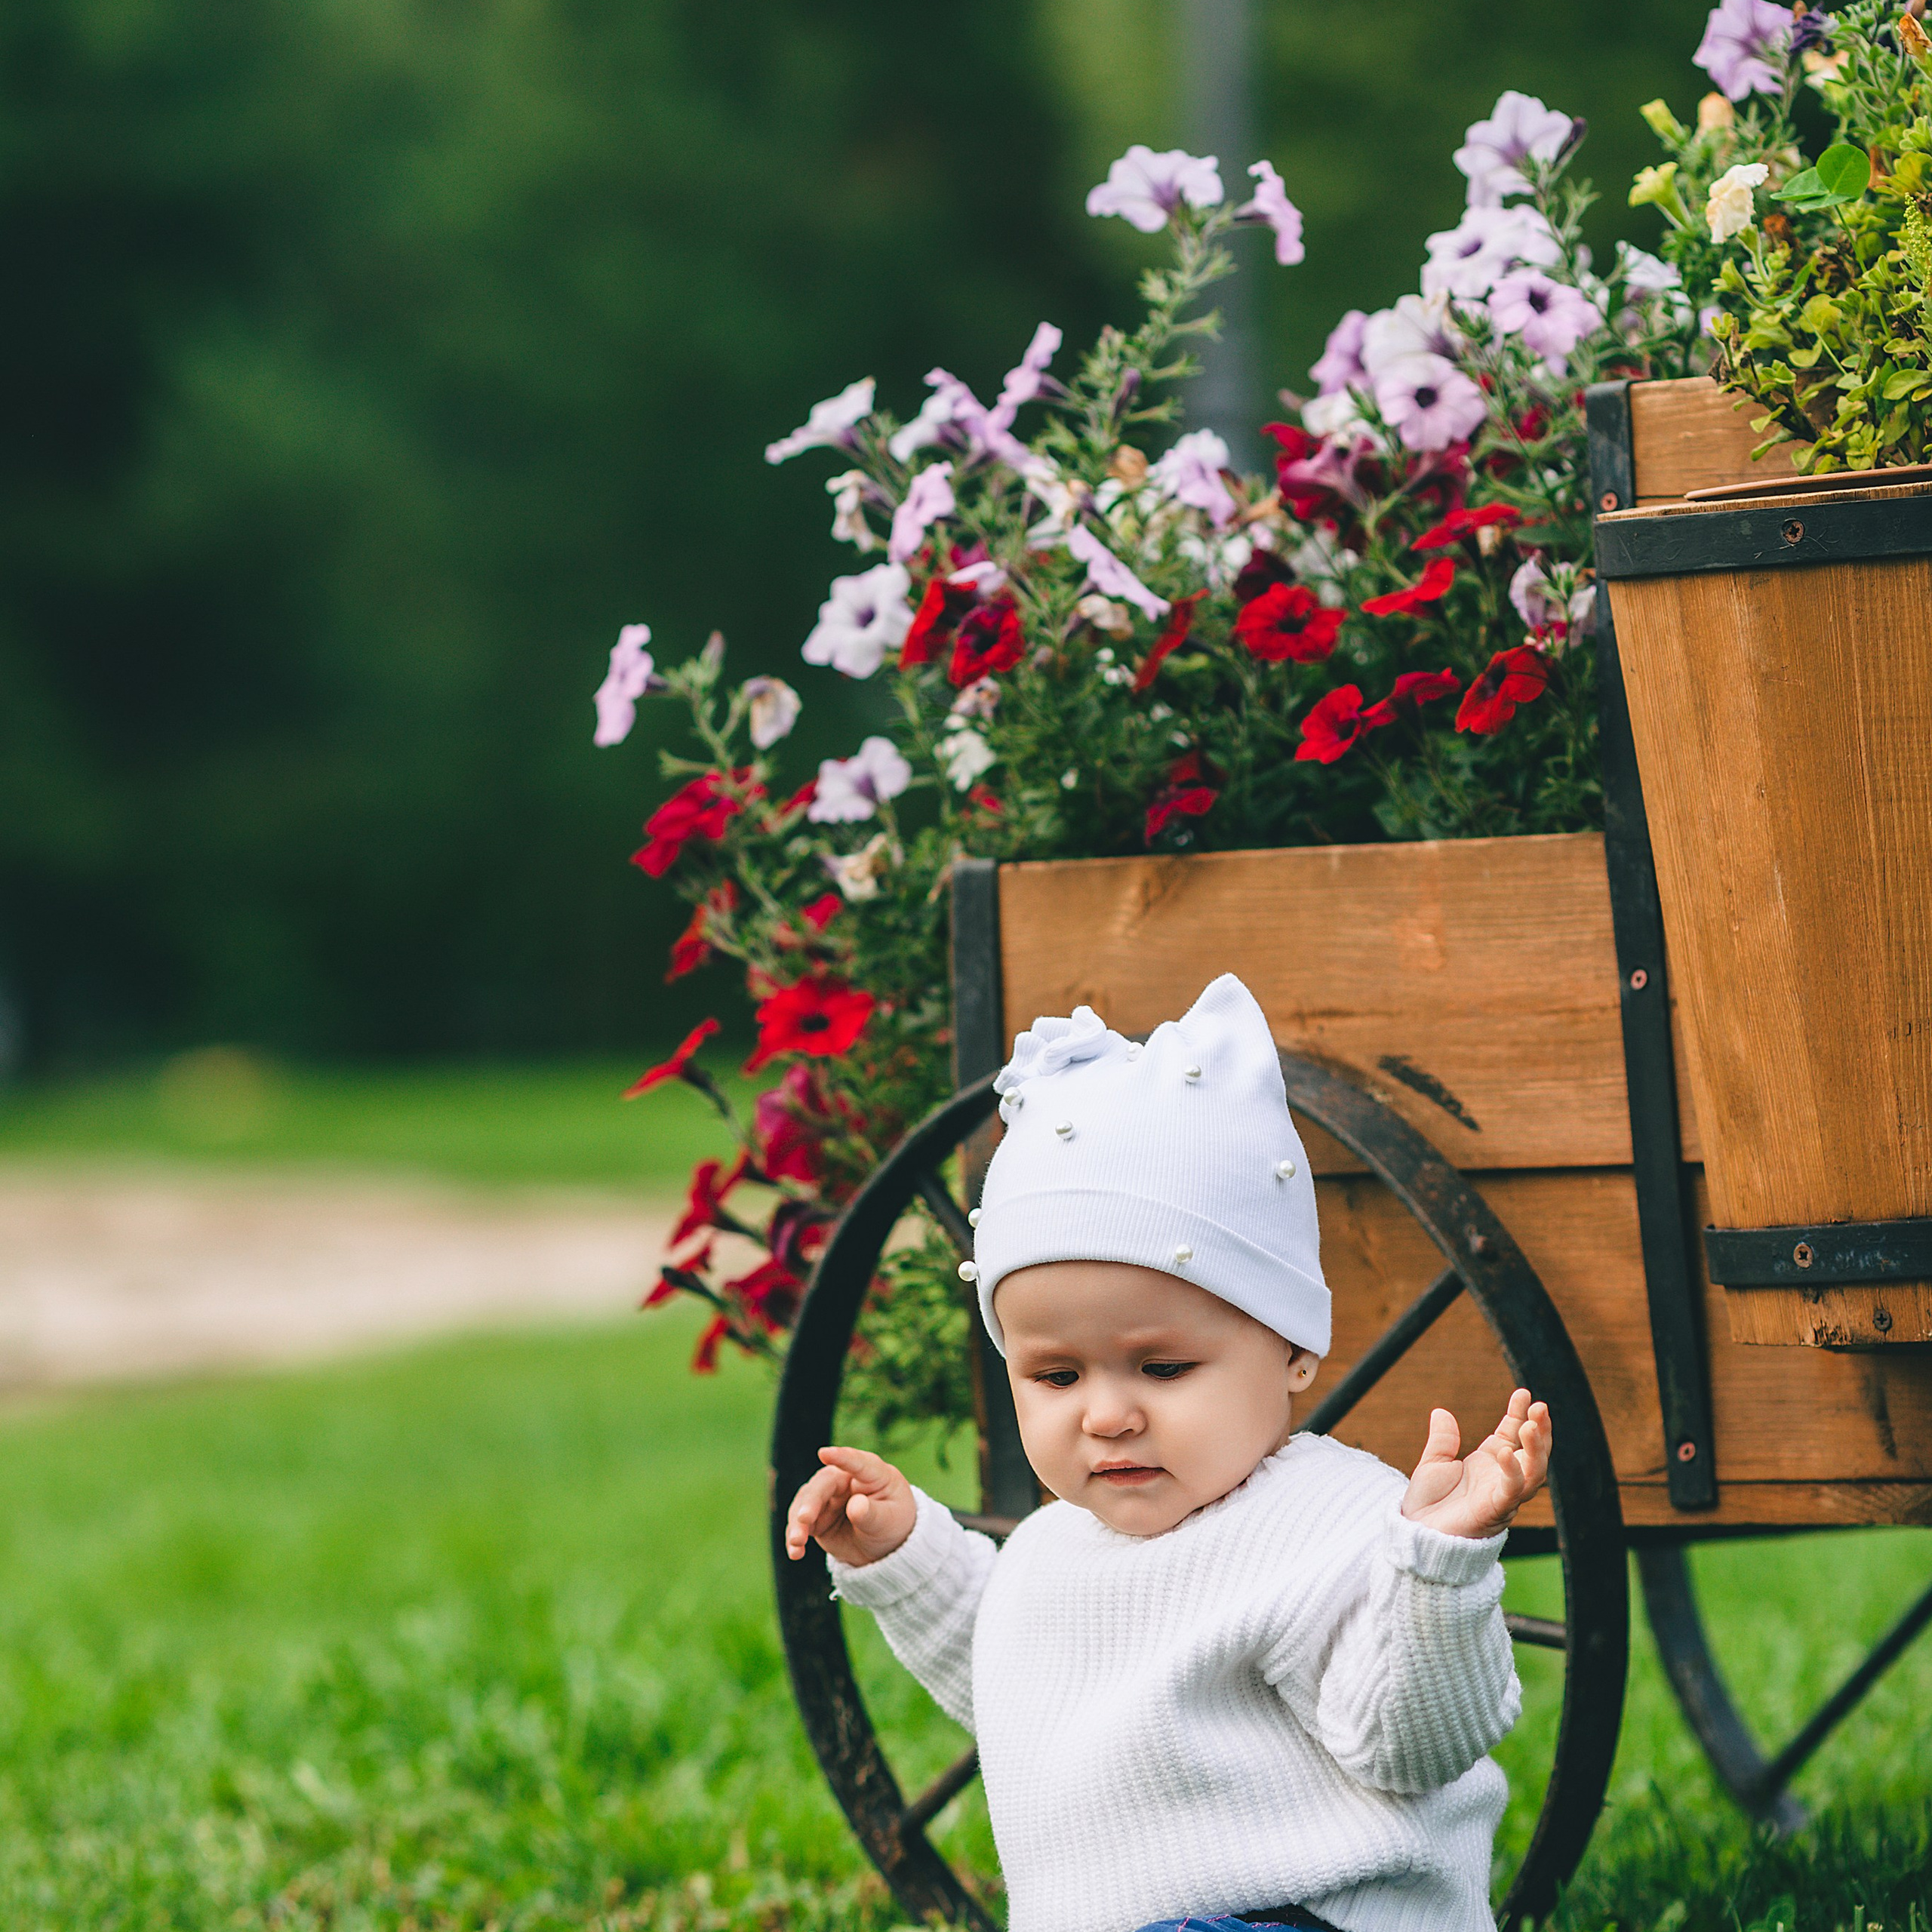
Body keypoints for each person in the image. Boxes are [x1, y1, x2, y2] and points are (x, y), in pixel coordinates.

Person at [784, 974, 1550, 1932]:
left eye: (1162, 1365)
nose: (1106, 1414)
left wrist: (1436, 1569)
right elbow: (1022, 1684)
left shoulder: (1330, 1521)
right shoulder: (1056, 1548)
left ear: (1291, 1346)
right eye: (1055, 1378)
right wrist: (901, 1557)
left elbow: (1411, 1745)